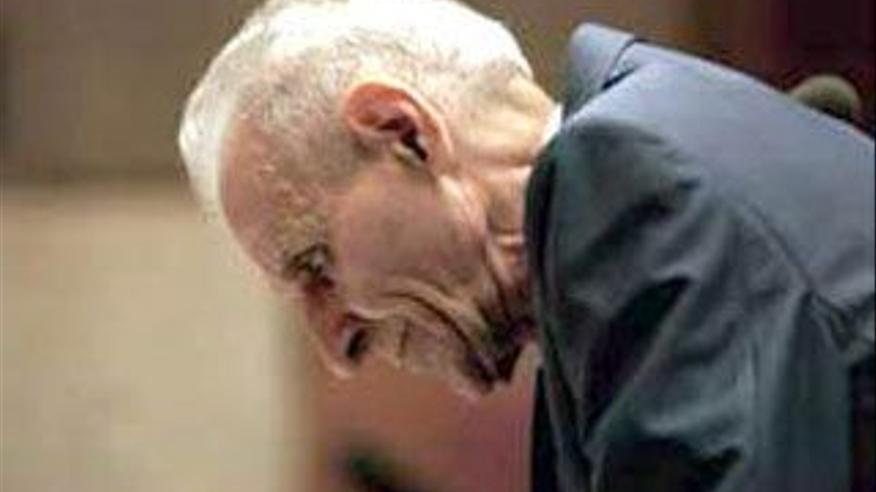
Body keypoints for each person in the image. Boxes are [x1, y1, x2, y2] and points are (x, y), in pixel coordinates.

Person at [178, 1, 874, 490]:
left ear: (403, 132)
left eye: (315, 264)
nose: (336, 348)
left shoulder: (629, 182)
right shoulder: (659, 168)